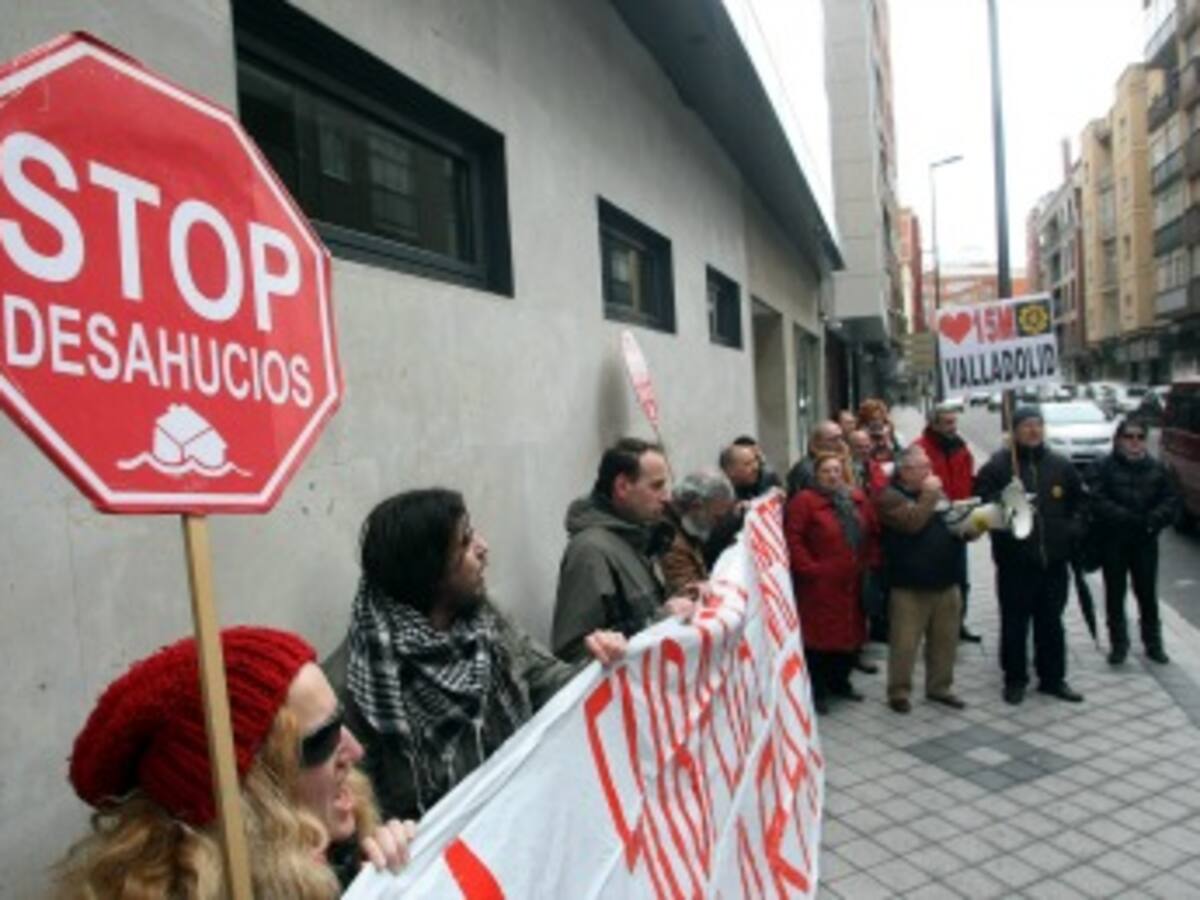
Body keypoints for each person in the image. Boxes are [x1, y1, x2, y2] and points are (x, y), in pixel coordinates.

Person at [55, 627, 415, 898]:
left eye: (341, 721)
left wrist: (383, 879)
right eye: (322, 740)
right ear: (249, 798)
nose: (355, 751)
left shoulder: (348, 860)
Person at [340, 489, 626, 823]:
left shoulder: (485, 623)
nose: (483, 548)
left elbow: (547, 682)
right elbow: (360, 816)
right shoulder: (362, 684)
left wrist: (605, 658)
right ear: (429, 570)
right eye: (464, 543)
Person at [974, 405, 1085, 705]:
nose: (1033, 430)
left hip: (1053, 562)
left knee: (1051, 622)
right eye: (1026, 425)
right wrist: (1006, 499)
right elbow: (981, 508)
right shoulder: (998, 467)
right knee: (1015, 623)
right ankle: (1015, 679)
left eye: (1038, 424)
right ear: (1014, 431)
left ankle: (1052, 679)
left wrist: (1071, 530)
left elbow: (1080, 503)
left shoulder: (1060, 465)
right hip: (1016, 562)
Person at [553, 437, 692, 661]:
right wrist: (661, 621)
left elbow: (641, 611)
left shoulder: (636, 538)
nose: (666, 497)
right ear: (623, 487)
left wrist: (686, 597)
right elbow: (574, 653)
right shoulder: (590, 552)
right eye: (656, 486)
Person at [876, 446, 978, 713]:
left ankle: (940, 687)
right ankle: (899, 692)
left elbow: (951, 522)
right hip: (910, 585)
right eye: (924, 467)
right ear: (905, 471)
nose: (930, 472)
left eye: (929, 466)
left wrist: (971, 527)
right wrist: (930, 494)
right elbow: (912, 523)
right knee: (905, 643)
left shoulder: (937, 494)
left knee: (945, 641)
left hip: (946, 579)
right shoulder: (889, 497)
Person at [785, 452, 879, 714]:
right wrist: (810, 569)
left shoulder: (854, 498)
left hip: (852, 582)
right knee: (818, 639)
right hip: (819, 585)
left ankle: (841, 683)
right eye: (826, 471)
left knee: (849, 634)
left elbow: (871, 530)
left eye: (837, 470)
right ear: (816, 475)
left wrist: (869, 562)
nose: (832, 476)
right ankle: (817, 691)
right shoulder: (805, 501)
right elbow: (794, 537)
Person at [1088, 417, 1182, 665]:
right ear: (1119, 439)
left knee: (1147, 593)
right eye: (1129, 436)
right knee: (1114, 594)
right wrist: (1124, 517)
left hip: (1144, 540)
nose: (1134, 442)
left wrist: (1153, 519)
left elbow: (1171, 501)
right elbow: (1096, 500)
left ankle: (1153, 644)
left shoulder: (1157, 468)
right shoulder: (1103, 467)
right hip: (1113, 540)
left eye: (1140, 437)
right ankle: (1119, 644)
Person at [915, 404, 981, 643]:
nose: (953, 427)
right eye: (948, 422)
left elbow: (968, 479)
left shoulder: (961, 448)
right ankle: (932, 626)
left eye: (954, 422)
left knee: (960, 576)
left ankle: (957, 623)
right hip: (931, 522)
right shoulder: (919, 449)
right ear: (934, 424)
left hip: (959, 519)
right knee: (932, 576)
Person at [660, 469, 737, 594]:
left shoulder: (687, 528)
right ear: (696, 506)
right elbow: (692, 594)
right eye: (716, 518)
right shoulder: (671, 543)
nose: (717, 525)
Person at [785, 421, 849, 497]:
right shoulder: (808, 468)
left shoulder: (842, 460)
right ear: (818, 442)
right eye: (833, 440)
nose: (840, 443)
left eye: (841, 438)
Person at [720, 436, 780, 501]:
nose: (755, 467)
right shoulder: (721, 493)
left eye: (755, 461)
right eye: (747, 464)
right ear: (731, 471)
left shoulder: (767, 478)